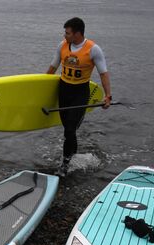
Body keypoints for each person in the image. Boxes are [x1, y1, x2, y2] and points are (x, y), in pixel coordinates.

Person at [46, 17, 112, 175]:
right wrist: (39, 90)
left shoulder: (93, 49)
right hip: (63, 89)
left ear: (77, 34)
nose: (64, 35)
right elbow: (52, 68)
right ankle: (72, 155)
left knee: (69, 130)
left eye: (67, 33)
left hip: (80, 92)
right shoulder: (62, 46)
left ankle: (65, 165)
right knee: (68, 129)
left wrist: (108, 95)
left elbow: (103, 73)